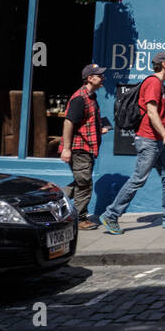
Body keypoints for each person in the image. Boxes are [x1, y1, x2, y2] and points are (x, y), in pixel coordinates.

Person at [101, 51, 165, 232]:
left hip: (157, 141)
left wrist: (163, 137)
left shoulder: (158, 84)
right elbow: (152, 112)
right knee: (138, 179)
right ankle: (111, 214)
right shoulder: (153, 83)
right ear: (164, 64)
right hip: (149, 140)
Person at [61, 63, 108, 230]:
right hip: (79, 149)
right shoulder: (79, 98)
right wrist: (67, 149)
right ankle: (80, 219)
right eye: (99, 75)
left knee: (82, 182)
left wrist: (99, 129)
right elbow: (68, 122)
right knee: (85, 184)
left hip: (87, 148)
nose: (102, 77)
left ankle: (55, 198)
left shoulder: (91, 97)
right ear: (90, 78)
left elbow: (84, 123)